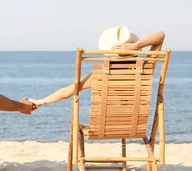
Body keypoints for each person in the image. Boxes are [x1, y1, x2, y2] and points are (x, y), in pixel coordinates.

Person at [28, 26, 165, 109]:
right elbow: (161, 35)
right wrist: (136, 46)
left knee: (76, 125)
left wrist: (40, 101)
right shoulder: (145, 70)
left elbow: (66, 92)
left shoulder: (99, 76)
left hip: (102, 129)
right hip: (135, 128)